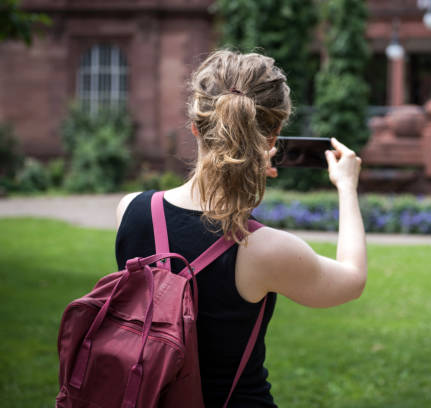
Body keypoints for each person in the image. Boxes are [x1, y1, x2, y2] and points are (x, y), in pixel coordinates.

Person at [115, 50, 367, 407]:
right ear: (272, 137)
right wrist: (347, 188)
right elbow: (352, 280)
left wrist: (241, 170)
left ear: (195, 126)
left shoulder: (131, 210)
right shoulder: (264, 249)